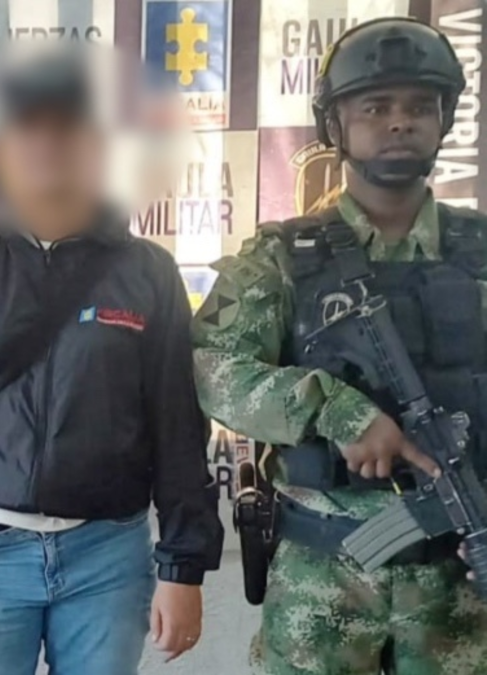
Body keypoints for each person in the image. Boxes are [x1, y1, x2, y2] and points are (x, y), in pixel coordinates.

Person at [0, 45, 224, 675]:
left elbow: (178, 429)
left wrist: (183, 566)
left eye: (69, 129)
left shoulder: (148, 272)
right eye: (26, 130)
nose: (47, 146)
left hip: (107, 558)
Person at [192, 17, 487, 675]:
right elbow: (212, 368)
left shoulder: (480, 253)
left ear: (445, 121)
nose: (400, 122)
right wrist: (332, 409)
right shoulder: (282, 257)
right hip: (323, 579)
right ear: (335, 124)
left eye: (420, 107)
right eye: (375, 107)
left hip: (461, 586)